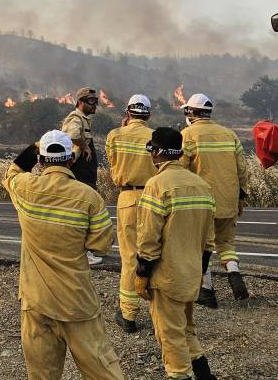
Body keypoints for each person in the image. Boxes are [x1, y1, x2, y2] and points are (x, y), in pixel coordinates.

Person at [3, 130, 123, 380]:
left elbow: (11, 173)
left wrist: (35, 146)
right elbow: (100, 245)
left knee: (42, 374)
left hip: (36, 302)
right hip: (76, 302)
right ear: (71, 161)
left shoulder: (25, 188)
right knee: (103, 371)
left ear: (41, 161)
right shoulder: (89, 198)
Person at [135, 127, 219, 380]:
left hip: (167, 276)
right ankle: (205, 375)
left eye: (152, 150)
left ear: (157, 153)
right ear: (180, 153)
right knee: (186, 329)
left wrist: (142, 272)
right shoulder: (202, 185)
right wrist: (201, 269)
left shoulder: (157, 185)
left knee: (169, 333)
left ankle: (178, 374)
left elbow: (149, 237)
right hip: (192, 274)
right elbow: (209, 239)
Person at [180, 93, 251, 307]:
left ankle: (207, 291)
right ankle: (234, 274)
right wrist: (241, 197)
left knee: (201, 246)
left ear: (191, 113)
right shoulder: (229, 134)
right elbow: (242, 170)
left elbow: (180, 169)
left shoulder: (187, 135)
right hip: (228, 200)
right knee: (226, 243)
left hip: (201, 203)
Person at [103, 94, 157, 333]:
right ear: (148, 115)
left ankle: (128, 314)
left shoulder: (115, 135)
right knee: (155, 254)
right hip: (156, 197)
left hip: (127, 197)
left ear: (127, 113)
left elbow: (113, 165)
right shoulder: (156, 136)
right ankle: (160, 313)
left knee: (129, 257)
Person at [62, 87, 103, 265]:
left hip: (84, 172)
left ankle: (82, 249)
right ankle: (83, 253)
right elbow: (73, 135)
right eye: (91, 101)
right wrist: (85, 147)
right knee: (82, 211)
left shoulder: (84, 119)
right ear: (80, 102)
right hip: (79, 171)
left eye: (96, 101)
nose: (95, 105)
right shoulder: (76, 118)